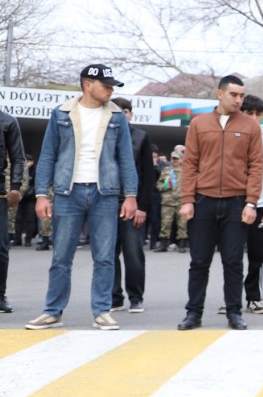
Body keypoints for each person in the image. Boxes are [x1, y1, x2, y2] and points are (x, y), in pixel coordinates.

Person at [27, 64, 138, 330]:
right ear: (88, 84)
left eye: (113, 86)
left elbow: (125, 158)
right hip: (68, 192)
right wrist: (42, 194)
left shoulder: (116, 117)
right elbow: (48, 156)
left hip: (105, 193)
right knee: (61, 257)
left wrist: (131, 195)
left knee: (104, 256)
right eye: (106, 85)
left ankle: (102, 311)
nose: (111, 90)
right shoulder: (62, 114)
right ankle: (52, 311)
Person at [177, 75, 263, 331]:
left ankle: (234, 312)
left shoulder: (250, 126)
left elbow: (256, 166)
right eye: (233, 95)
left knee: (234, 261)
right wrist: (187, 200)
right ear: (219, 94)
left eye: (241, 95)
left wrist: (251, 202)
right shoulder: (199, 124)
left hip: (236, 203)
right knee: (199, 261)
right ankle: (194, 313)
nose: (238, 100)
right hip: (203, 201)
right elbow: (190, 163)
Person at [236, 95, 263, 315]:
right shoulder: (233, 135)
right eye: (249, 112)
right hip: (235, 202)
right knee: (232, 254)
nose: (254, 118)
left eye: (257, 113)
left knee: (257, 254)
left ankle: (254, 297)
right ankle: (231, 297)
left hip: (262, 205)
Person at [110, 98, 155, 314]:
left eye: (125, 111)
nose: (121, 114)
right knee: (108, 253)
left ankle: (136, 297)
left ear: (131, 114)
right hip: (107, 203)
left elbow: (147, 175)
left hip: (133, 203)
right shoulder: (103, 134)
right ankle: (114, 297)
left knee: (133, 253)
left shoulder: (141, 137)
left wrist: (142, 207)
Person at [0, 109, 25, 314]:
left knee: (1, 247)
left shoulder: (8, 121)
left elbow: (18, 157)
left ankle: (0, 295)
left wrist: (16, 186)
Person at [158, 147, 189, 252]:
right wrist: (164, 187)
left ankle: (182, 245)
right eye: (173, 159)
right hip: (168, 201)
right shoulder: (167, 171)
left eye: (177, 159)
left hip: (181, 201)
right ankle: (163, 245)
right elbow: (159, 184)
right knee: (165, 224)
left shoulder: (186, 172)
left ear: (181, 159)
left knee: (182, 224)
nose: (175, 161)